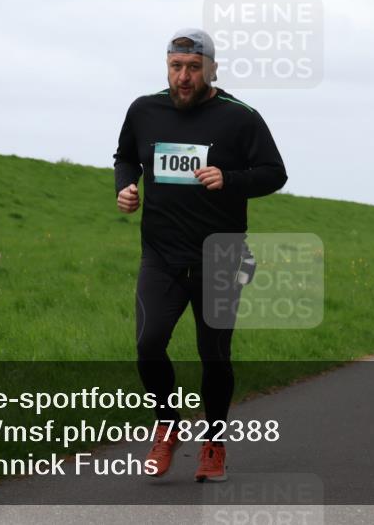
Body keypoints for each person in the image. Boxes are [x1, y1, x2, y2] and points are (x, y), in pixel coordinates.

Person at [114, 28, 287, 483]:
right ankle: (167, 425)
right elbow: (125, 157)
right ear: (167, 67)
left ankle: (213, 443)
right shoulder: (144, 110)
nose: (184, 77)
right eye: (176, 67)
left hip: (221, 257)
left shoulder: (240, 118)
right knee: (148, 346)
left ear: (211, 69)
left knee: (214, 357)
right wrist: (125, 188)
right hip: (161, 255)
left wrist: (229, 178)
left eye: (193, 68)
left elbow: (274, 173)